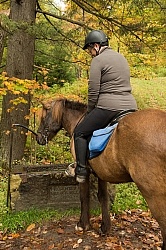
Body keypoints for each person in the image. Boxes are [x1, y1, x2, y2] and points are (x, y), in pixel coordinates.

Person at [72, 30, 138, 183]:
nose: (90, 53)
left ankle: (81, 170)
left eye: (90, 49)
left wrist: (90, 111)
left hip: (109, 107)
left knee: (80, 132)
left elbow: (93, 89)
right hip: (130, 106)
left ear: (96, 45)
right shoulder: (121, 57)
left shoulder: (98, 60)